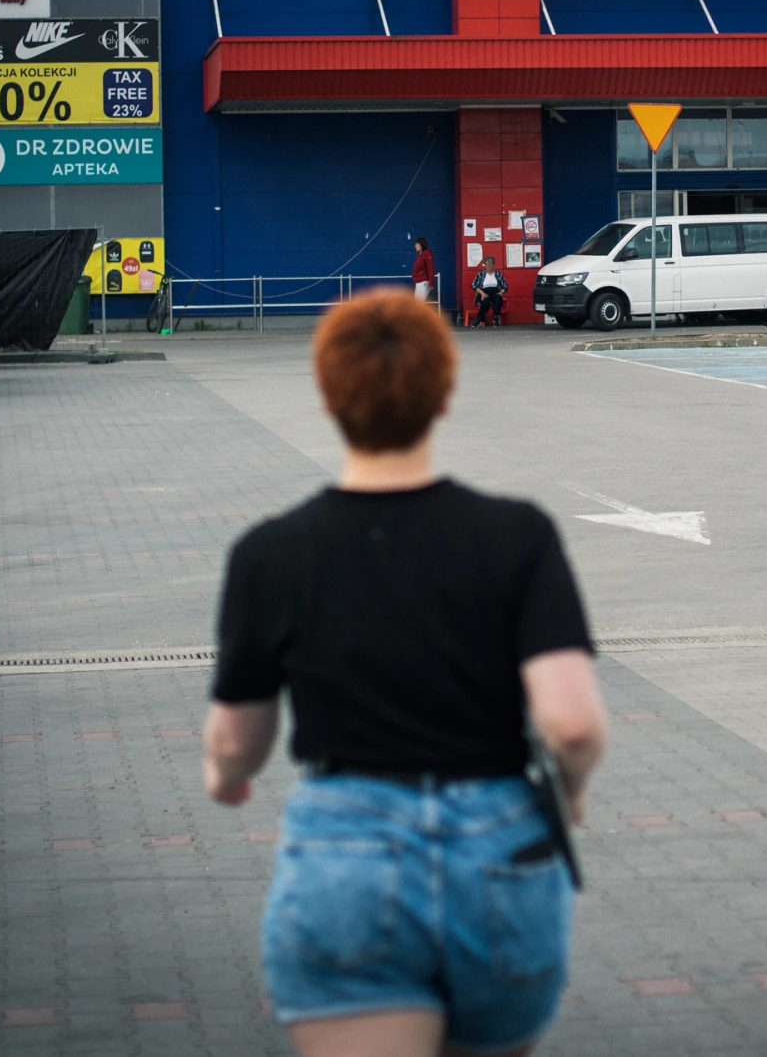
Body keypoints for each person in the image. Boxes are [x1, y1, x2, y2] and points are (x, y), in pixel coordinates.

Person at [203, 290, 608, 1057]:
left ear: (328, 395)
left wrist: (227, 779)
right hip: (503, 851)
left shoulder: (272, 552)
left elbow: (237, 743)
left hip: (345, 851)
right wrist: (574, 789)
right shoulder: (517, 535)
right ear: (444, 392)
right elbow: (574, 723)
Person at [471, 257, 508, 327]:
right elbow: (474, 285)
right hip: (483, 291)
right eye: (487, 264)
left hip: (495, 291)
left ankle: (496, 317)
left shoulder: (498, 274)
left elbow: (505, 286)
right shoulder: (481, 274)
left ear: (493, 265)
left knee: (498, 299)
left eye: (490, 264)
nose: (488, 266)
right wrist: (482, 293)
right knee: (485, 302)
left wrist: (502, 292)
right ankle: (479, 319)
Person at [412, 237, 435, 302]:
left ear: (421, 245)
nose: (415, 246)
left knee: (419, 304)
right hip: (418, 282)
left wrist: (431, 284)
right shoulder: (419, 256)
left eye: (417, 244)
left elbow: (431, 269)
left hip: (424, 282)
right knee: (416, 304)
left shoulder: (427, 254)